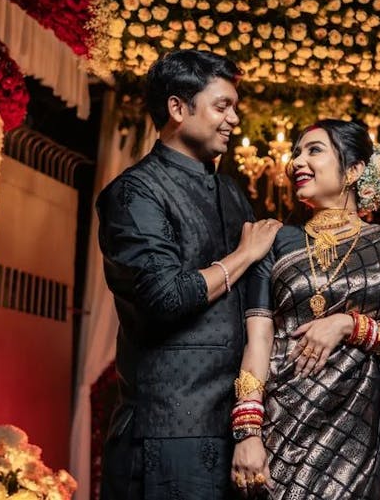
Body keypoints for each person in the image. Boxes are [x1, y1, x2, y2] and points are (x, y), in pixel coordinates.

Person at [229, 119, 380, 499]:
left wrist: (349, 325)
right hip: (284, 422)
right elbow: (259, 340)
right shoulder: (276, 241)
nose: (297, 161)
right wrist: (248, 430)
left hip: (362, 429)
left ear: (353, 169)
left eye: (313, 150)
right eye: (296, 152)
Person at [96, 49, 282, 500]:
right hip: (168, 432)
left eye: (235, 106)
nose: (234, 119)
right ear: (178, 108)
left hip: (238, 428)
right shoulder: (134, 193)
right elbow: (165, 297)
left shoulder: (232, 193)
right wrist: (243, 255)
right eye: (222, 106)